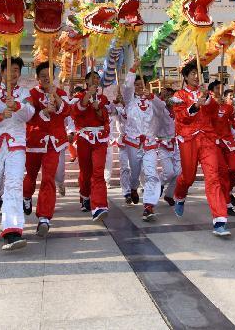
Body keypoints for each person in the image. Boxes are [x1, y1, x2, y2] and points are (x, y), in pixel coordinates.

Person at [0, 56, 34, 250]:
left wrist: (17, 106)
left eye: (16, 70)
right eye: (8, 70)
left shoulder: (25, 93)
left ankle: (12, 230)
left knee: (14, 184)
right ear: (1, 72)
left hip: (16, 144)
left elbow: (29, 113)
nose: (12, 73)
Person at [171, 60, 230, 237]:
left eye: (199, 73)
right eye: (193, 74)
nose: (197, 76)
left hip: (207, 138)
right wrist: (196, 105)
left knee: (213, 178)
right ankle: (179, 195)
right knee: (188, 177)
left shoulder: (207, 94)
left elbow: (213, 113)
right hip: (188, 138)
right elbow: (182, 118)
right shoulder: (178, 95)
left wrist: (208, 100)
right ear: (186, 77)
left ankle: (220, 220)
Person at [23, 61, 70, 236]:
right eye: (43, 77)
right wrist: (44, 113)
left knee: (48, 178)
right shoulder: (30, 94)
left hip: (54, 143)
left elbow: (67, 111)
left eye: (49, 77)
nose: (46, 80)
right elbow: (28, 117)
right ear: (37, 78)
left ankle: (44, 217)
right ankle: (26, 196)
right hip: (35, 141)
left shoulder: (61, 93)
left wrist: (55, 96)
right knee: (31, 175)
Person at [119, 62, 164, 221]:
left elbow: (163, 108)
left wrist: (152, 96)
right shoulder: (129, 100)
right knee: (135, 172)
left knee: (151, 174)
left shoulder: (153, 101)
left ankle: (149, 205)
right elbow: (126, 88)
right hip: (133, 143)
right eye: (136, 84)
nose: (138, 87)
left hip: (150, 144)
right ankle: (132, 187)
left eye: (141, 84)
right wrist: (132, 69)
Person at [71, 71, 111, 223]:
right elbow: (76, 112)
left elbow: (105, 117)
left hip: (100, 139)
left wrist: (98, 109)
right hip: (84, 138)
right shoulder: (78, 97)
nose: (95, 80)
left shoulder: (103, 98)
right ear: (86, 80)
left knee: (98, 172)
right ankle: (85, 195)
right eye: (92, 78)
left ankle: (100, 206)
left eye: (97, 78)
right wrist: (88, 96)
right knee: (86, 171)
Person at [211, 81, 235, 218]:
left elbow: (234, 122)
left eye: (221, 88)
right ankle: (227, 203)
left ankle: (227, 191)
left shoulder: (228, 107)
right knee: (222, 172)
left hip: (228, 142)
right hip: (214, 144)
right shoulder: (207, 106)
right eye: (217, 88)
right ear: (211, 91)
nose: (220, 90)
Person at [155, 86, 181, 207]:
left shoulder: (177, 109)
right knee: (169, 173)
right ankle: (159, 184)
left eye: (171, 97)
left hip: (176, 143)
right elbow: (155, 104)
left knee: (179, 172)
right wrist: (161, 98)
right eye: (167, 97)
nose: (170, 99)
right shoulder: (160, 110)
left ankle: (169, 195)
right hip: (163, 144)